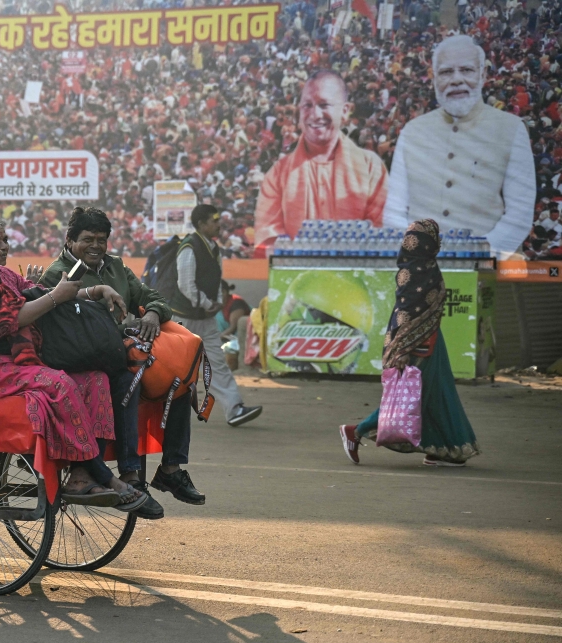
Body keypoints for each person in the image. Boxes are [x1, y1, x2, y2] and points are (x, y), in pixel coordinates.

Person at [0, 215, 146, 510]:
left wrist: (94, 291)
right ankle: (104, 475)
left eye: (2, 236)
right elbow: (11, 318)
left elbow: (45, 294)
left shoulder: (4, 275)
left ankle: (81, 476)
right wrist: (54, 297)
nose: (0, 240)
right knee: (60, 383)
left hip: (13, 361)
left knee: (96, 379)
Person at [39, 207, 205, 515]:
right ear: (70, 240)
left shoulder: (115, 266)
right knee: (129, 379)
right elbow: (62, 329)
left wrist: (153, 314)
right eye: (88, 239)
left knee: (178, 376)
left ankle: (171, 469)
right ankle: (131, 475)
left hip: (122, 352)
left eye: (102, 240)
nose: (96, 246)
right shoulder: (57, 274)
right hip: (84, 358)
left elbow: (153, 297)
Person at [340, 220, 479, 467]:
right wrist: (402, 349)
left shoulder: (423, 266)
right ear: (429, 243)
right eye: (434, 238)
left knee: (438, 393)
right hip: (416, 342)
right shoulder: (415, 271)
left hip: (431, 337)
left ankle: (440, 449)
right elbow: (405, 312)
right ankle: (356, 430)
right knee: (416, 395)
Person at [382, 35, 536, 258]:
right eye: (446, 72)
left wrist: (479, 255)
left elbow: (519, 214)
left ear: (482, 75)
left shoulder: (511, 129)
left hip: (485, 268)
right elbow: (394, 212)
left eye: (466, 70)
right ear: (434, 79)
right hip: (419, 265)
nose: (456, 80)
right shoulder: (412, 132)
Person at [255, 70, 389, 249]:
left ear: (345, 110)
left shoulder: (371, 168)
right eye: (307, 105)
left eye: (324, 105)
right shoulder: (278, 175)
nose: (315, 114)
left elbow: (381, 236)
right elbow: (268, 242)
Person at [172, 205, 262, 427]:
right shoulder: (189, 247)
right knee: (174, 367)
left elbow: (215, 282)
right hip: (185, 318)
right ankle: (150, 408)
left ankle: (234, 409)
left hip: (205, 318)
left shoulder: (213, 248)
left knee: (216, 364)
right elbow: (185, 284)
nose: (219, 224)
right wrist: (206, 304)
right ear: (202, 224)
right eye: (214, 220)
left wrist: (216, 304)